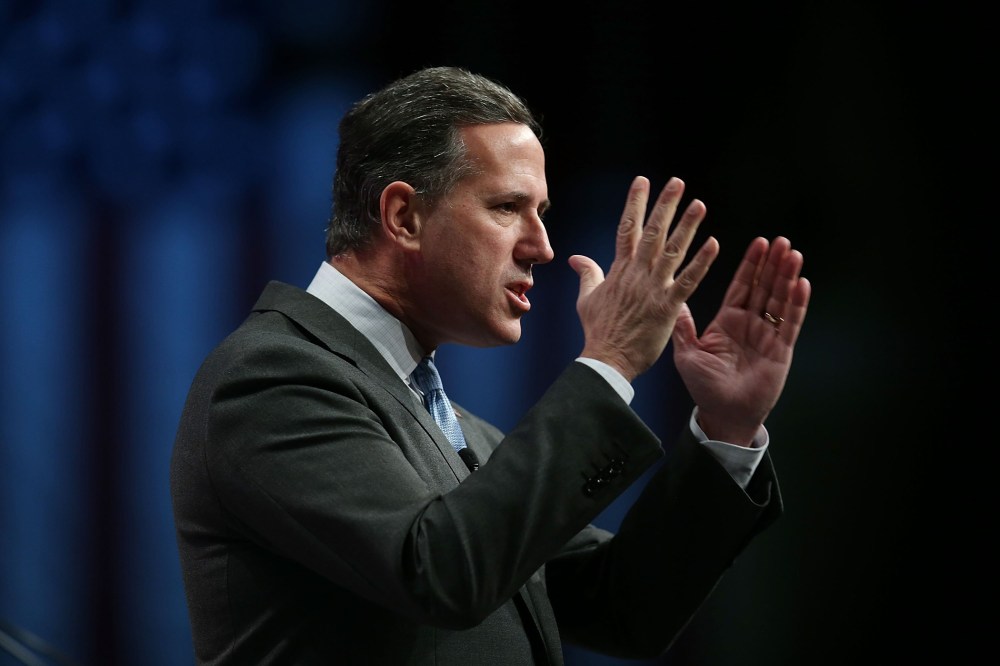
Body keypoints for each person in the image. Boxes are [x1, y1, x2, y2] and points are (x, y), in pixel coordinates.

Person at [170, 65, 811, 665]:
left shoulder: (461, 435)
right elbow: (442, 574)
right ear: (404, 216)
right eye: (508, 208)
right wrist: (611, 360)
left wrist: (725, 427)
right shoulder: (272, 380)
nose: (542, 246)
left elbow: (623, 608)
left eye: (542, 213)